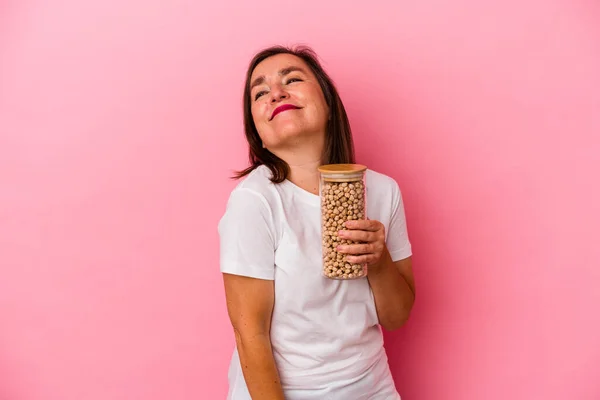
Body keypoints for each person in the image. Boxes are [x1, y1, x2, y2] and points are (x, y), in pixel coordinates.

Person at [218, 45, 416, 400]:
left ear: (327, 103)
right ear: (258, 131)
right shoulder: (255, 200)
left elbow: (397, 317)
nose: (275, 92)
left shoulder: (383, 191)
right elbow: (250, 335)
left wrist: (378, 260)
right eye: (260, 92)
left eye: (292, 79)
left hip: (371, 386)